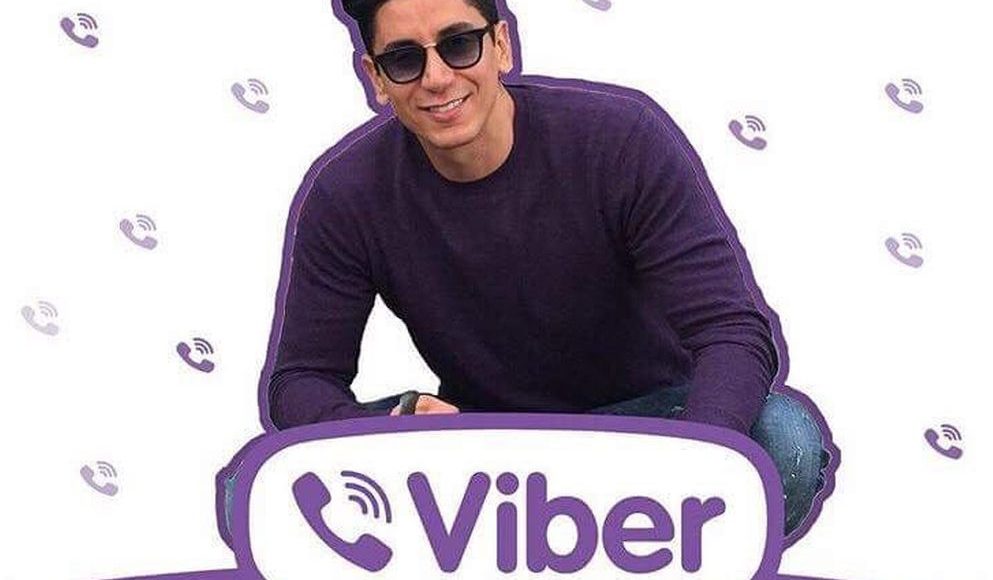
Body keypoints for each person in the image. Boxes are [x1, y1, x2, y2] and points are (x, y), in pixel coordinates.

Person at [245, 0, 828, 536]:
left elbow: (732, 330)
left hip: (647, 432)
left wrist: (693, 458)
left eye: (459, 44)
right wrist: (396, 426)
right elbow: (299, 381)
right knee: (247, 492)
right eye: (403, 60)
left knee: (783, 439)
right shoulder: (347, 195)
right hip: (484, 450)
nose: (437, 78)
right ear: (375, 79)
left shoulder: (620, 142)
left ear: (501, 45)